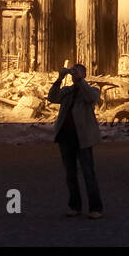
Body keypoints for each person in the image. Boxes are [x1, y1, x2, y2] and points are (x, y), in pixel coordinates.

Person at [48, 64, 103, 218]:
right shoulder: (67, 91)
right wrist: (59, 78)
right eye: (73, 72)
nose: (75, 74)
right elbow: (52, 97)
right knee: (70, 174)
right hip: (66, 137)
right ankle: (75, 206)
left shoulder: (92, 90)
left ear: (84, 75)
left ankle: (95, 208)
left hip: (83, 137)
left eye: (78, 72)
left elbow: (91, 98)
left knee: (88, 173)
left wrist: (80, 81)